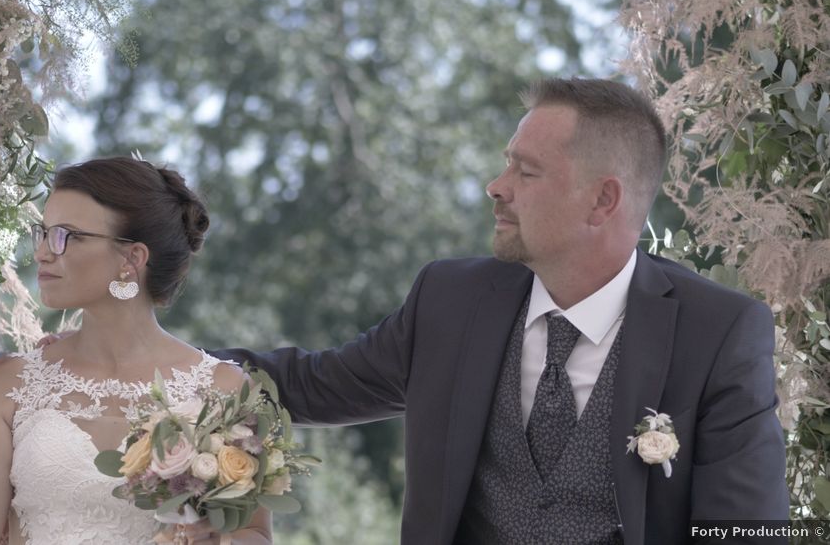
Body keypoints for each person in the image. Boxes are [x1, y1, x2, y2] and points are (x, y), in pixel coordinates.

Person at [214, 78, 789, 544]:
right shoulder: (450, 300)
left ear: (602, 200)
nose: (496, 186)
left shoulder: (718, 334)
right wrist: (151, 357)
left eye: (526, 171)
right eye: (505, 164)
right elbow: (305, 387)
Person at [0, 157, 272, 545]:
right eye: (42, 233)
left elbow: (256, 534)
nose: (43, 252)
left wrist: (218, 541)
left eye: (67, 236)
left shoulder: (227, 389)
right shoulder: (4, 384)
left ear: (132, 259)